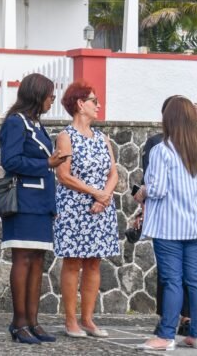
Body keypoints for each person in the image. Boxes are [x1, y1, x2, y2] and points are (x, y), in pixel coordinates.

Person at [132, 95, 197, 337]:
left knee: (172, 280)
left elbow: (156, 188)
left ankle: (166, 333)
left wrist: (142, 193)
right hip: (195, 224)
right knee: (195, 279)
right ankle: (196, 334)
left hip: (170, 224)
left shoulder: (160, 149)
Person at [0, 73, 68, 344]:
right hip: (23, 202)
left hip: (41, 204)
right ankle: (18, 323)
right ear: (37, 95)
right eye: (50, 95)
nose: (53, 100)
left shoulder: (36, 124)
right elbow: (11, 160)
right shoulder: (16, 123)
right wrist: (46, 164)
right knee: (23, 259)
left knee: (38, 261)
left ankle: (33, 321)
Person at [54, 81, 119, 338]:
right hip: (74, 207)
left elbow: (113, 173)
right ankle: (71, 321)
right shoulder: (65, 136)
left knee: (94, 263)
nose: (98, 104)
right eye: (94, 100)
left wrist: (104, 197)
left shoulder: (103, 138)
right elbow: (63, 175)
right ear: (81, 104)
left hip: (100, 208)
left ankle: (89, 320)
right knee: (73, 262)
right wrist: (95, 193)